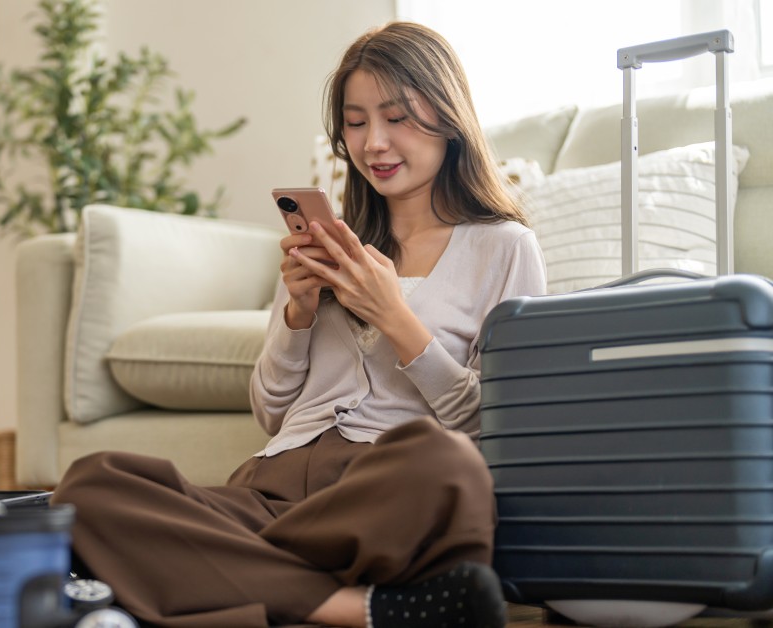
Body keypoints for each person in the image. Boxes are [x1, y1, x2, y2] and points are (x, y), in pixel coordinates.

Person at [52, 21, 546, 628]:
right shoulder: (333, 243)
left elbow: (493, 424)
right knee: (90, 488)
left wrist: (395, 316)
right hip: (273, 493)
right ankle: (362, 608)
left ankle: (215, 580)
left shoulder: (505, 248)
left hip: (382, 492)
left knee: (449, 465)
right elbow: (271, 412)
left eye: (396, 118)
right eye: (357, 122)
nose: (374, 144)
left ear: (447, 116)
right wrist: (298, 315)